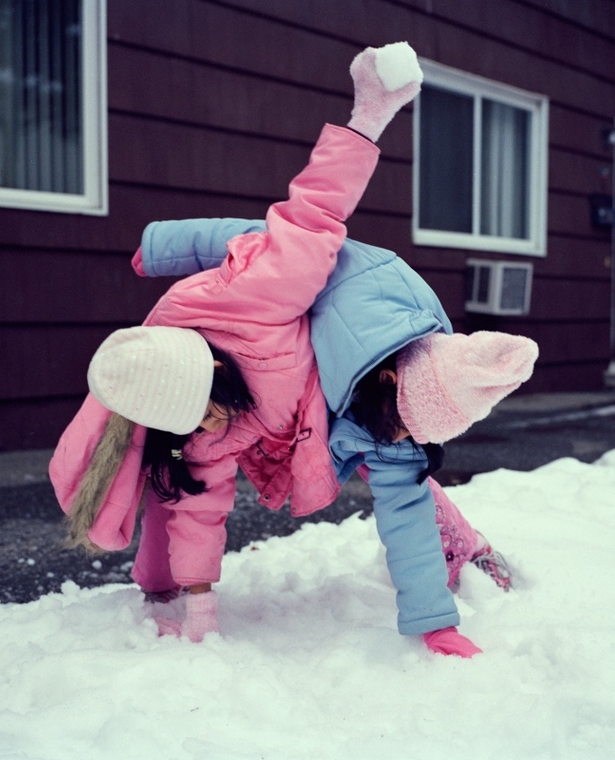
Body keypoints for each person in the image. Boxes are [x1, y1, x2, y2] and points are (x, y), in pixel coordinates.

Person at [50, 43, 423, 644]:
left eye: (202, 408)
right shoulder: (192, 430)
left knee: (396, 463)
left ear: (212, 368)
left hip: (334, 385)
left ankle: (454, 542)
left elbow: (315, 211)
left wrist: (369, 115)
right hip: (278, 429)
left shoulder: (260, 294)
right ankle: (154, 582)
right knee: (168, 484)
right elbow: (201, 507)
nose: (205, 425)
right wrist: (200, 609)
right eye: (191, 422)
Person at [135, 161, 538, 655]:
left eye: (415, 433)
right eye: (402, 427)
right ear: (388, 381)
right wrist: (162, 249)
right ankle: (157, 581)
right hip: (254, 376)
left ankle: (464, 546)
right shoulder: (349, 280)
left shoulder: (411, 400)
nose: (400, 439)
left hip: (320, 402)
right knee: (175, 463)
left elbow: (403, 503)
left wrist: (436, 625)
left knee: (407, 479)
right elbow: (258, 237)